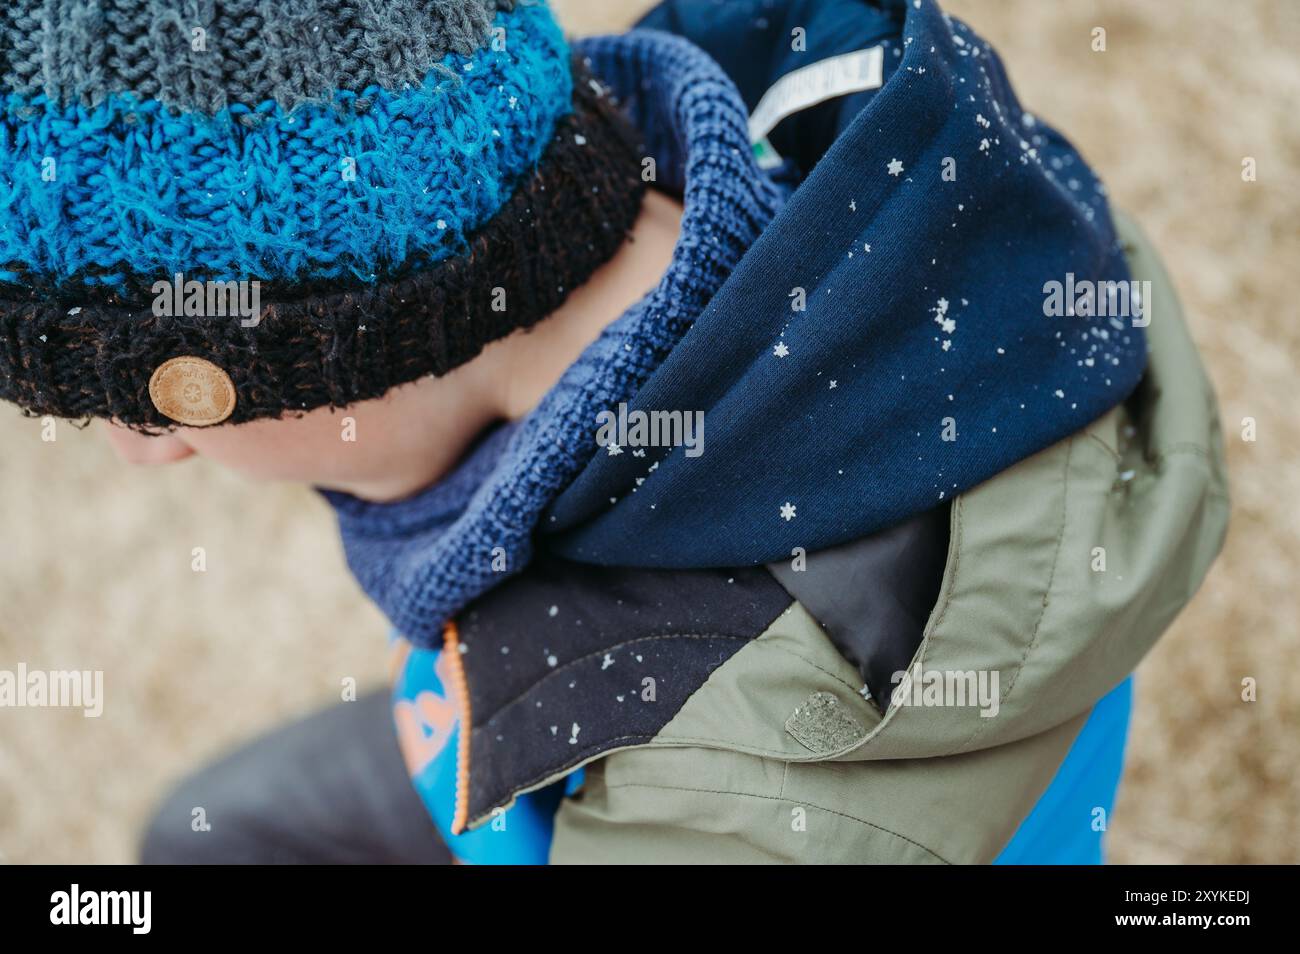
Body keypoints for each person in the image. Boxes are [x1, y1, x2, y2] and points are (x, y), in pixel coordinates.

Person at [0, 0, 1228, 864]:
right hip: (524, 745)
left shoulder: (726, 801)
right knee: (216, 831)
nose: (138, 453)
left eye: (146, 399)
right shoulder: (846, 180)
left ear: (351, 350)